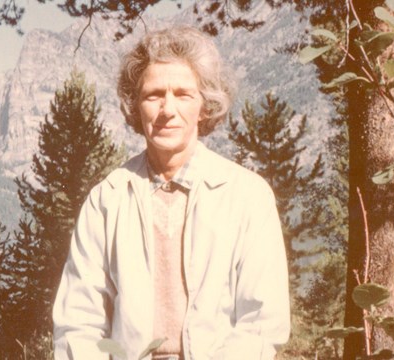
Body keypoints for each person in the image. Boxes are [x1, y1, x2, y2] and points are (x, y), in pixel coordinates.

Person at [53, 26, 290, 360]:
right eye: (153, 95)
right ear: (135, 107)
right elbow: (78, 322)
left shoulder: (248, 196)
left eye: (183, 94)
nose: (167, 109)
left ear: (204, 106)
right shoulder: (107, 199)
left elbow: (261, 324)